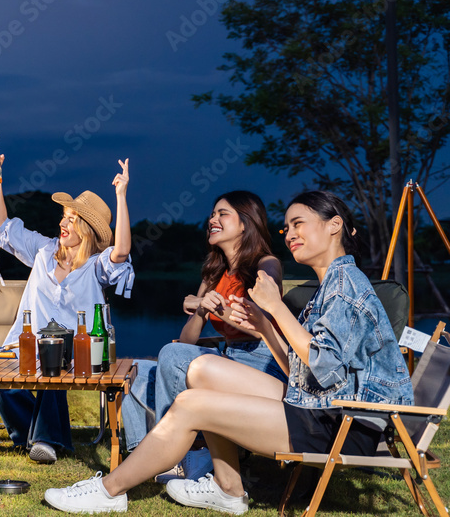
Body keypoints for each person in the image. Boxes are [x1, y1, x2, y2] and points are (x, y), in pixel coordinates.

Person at [44, 190, 413, 514]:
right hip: (321, 405)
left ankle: (111, 491)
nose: (290, 235)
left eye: (299, 224)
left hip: (343, 423)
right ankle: (228, 488)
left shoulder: (345, 288)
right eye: (287, 228)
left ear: (334, 226)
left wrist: (277, 309)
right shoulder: (331, 283)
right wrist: (265, 327)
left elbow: (324, 371)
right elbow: (303, 369)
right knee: (200, 369)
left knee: (191, 403)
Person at [121, 191, 287, 481]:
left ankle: (179, 452)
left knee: (171, 356)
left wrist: (219, 310)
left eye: (223, 214)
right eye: (212, 214)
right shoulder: (213, 273)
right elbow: (186, 342)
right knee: (138, 370)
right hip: (229, 359)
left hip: (263, 364)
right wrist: (199, 311)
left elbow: (264, 325)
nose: (213, 219)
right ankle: (144, 455)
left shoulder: (265, 265)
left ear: (246, 223)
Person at [0, 147, 134, 464]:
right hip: (26, 346)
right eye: (64, 218)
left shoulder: (97, 265)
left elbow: (121, 250)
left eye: (72, 221)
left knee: (52, 366)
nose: (63, 224)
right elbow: (0, 222)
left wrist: (121, 196)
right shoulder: (43, 250)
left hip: (78, 353)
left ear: (87, 231)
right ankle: (41, 439)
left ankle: (44, 439)